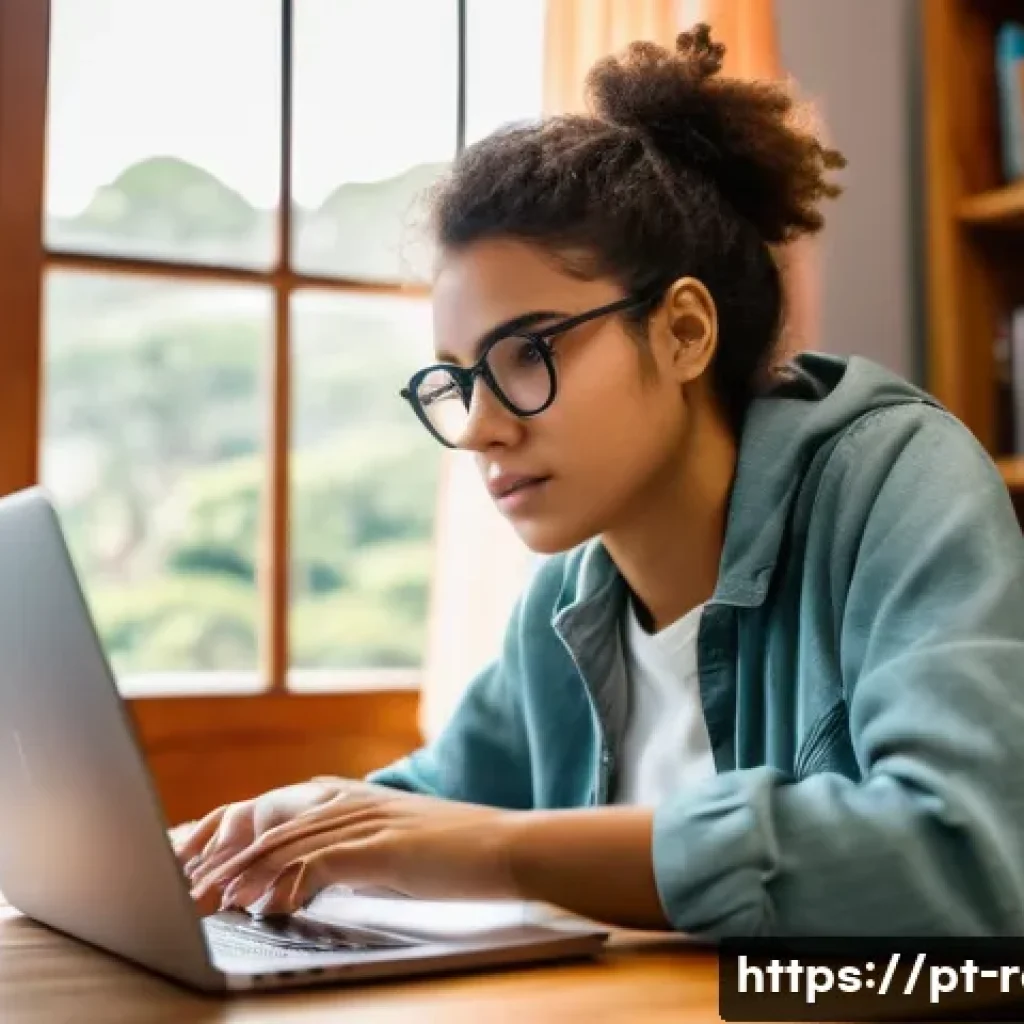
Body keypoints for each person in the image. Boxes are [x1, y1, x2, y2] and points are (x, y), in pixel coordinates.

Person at [177, 25, 1024, 937]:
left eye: (528, 353)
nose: (479, 426)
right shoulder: (565, 607)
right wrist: (297, 822)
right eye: (459, 379)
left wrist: (505, 848)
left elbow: (966, 858)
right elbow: (429, 808)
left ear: (685, 332)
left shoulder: (895, 489)